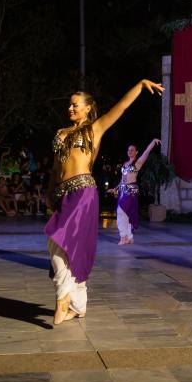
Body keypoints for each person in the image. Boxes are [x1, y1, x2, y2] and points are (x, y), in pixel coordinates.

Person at [46, 80, 163, 326]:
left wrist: (140, 85)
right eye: (69, 104)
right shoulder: (60, 134)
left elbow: (121, 107)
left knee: (63, 240)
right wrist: (50, 195)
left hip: (83, 192)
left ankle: (63, 298)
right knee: (57, 245)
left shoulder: (94, 129)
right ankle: (78, 305)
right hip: (63, 194)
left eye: (75, 105)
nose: (70, 108)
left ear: (88, 108)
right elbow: (56, 168)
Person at [107, 139, 161, 245]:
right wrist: (115, 188)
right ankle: (129, 237)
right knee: (126, 213)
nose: (130, 151)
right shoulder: (125, 164)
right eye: (128, 150)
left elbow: (146, 152)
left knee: (121, 212)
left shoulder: (137, 162)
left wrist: (153, 142)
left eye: (132, 150)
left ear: (136, 152)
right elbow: (122, 179)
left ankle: (123, 237)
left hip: (131, 190)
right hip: (122, 190)